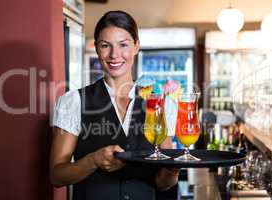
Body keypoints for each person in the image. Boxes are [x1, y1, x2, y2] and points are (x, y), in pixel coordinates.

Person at [50, 10, 179, 200]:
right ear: (97, 49)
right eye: (105, 46)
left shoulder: (160, 104)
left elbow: (162, 183)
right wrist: (93, 161)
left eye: (123, 45)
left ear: (136, 46)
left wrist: (173, 169)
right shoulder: (74, 102)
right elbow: (56, 176)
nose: (114, 55)